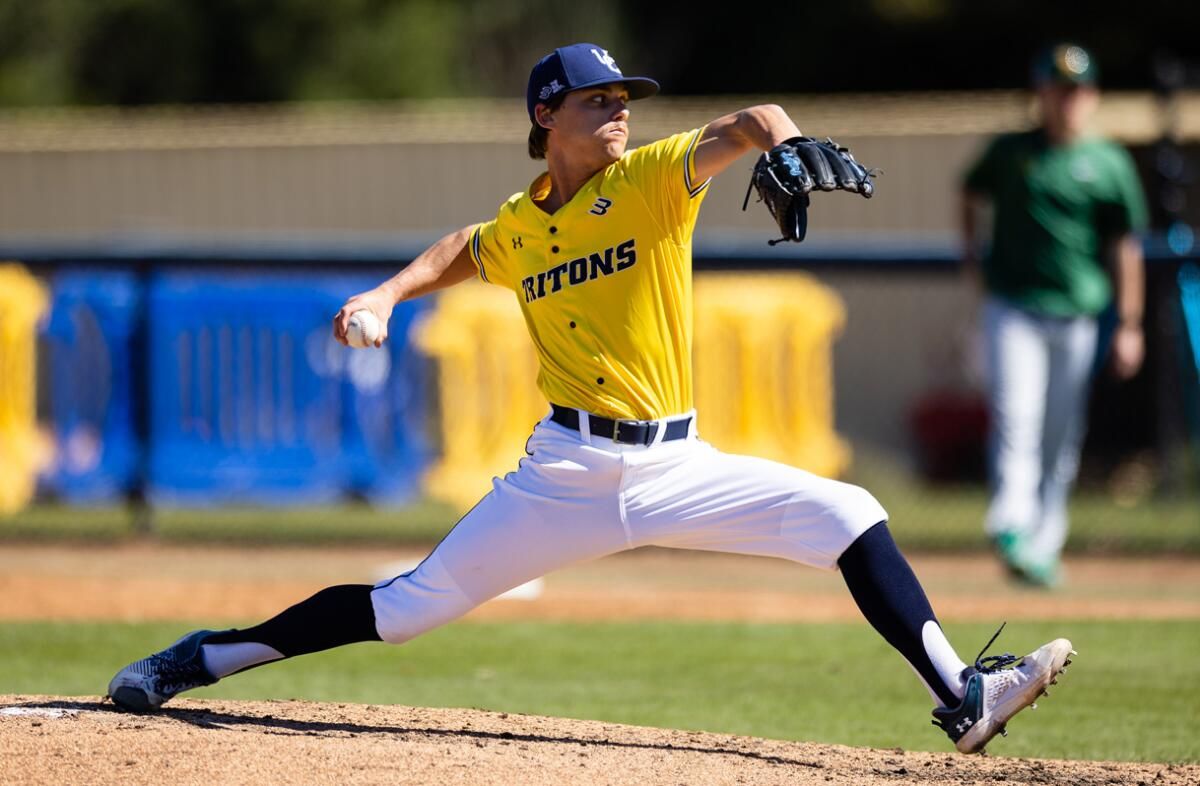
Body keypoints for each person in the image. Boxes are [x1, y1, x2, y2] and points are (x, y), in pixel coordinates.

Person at [109, 42, 1074, 755]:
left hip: (676, 463)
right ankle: (205, 658)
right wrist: (385, 295)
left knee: (848, 512)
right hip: (563, 474)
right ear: (545, 116)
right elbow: (465, 247)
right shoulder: (524, 226)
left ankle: (962, 695)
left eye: (624, 96)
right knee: (407, 609)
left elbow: (753, 119)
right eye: (596, 98)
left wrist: (786, 141)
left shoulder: (654, 181)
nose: (619, 110)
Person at [961, 43, 1148, 587]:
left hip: (1077, 312)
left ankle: (1044, 543)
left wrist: (1131, 324)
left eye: (1076, 91)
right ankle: (1011, 524)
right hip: (1015, 306)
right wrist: (973, 260)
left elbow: (1125, 246)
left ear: (1090, 97)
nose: (1066, 101)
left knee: (1061, 431)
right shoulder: (1012, 151)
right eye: (1056, 89)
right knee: (1016, 414)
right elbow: (969, 194)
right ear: (1040, 94)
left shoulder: (1108, 161)